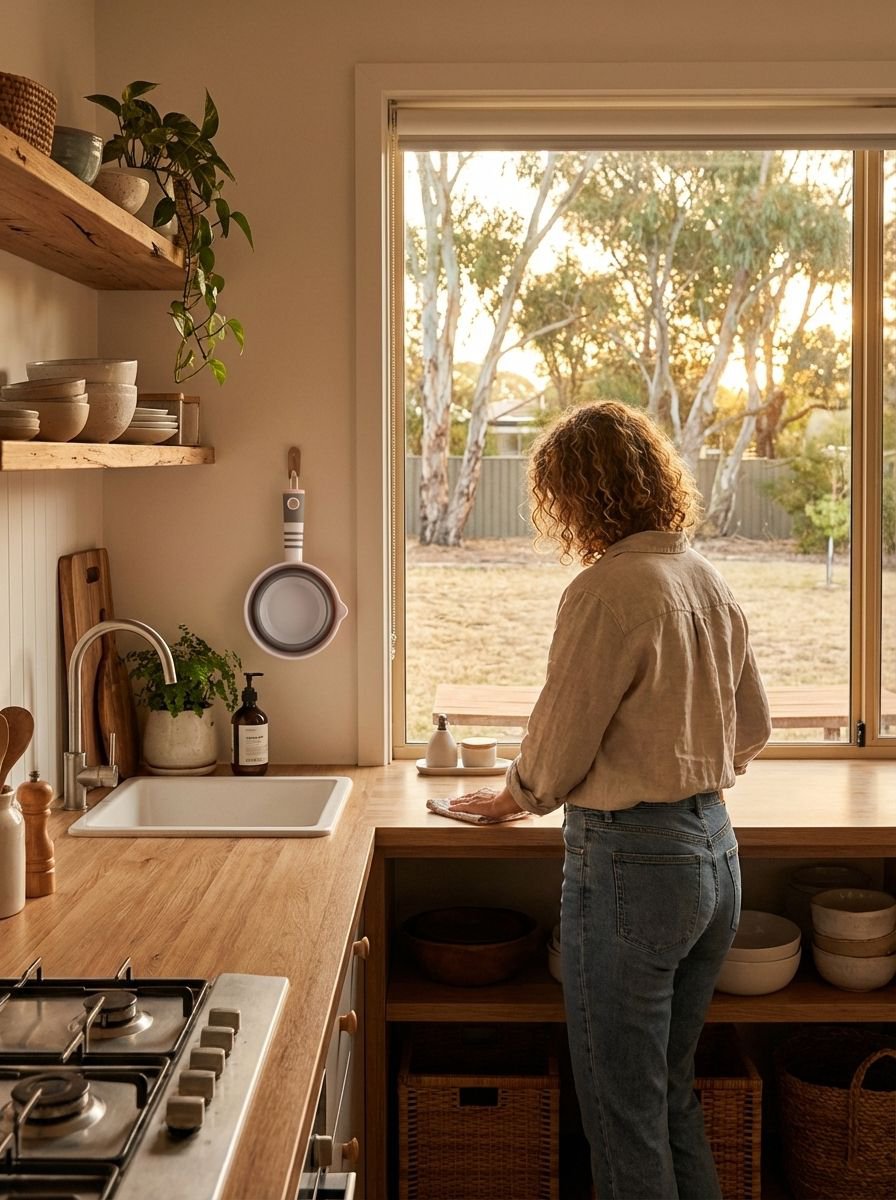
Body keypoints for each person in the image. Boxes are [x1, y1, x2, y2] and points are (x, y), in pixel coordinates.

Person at [449, 401, 771, 1200]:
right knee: (669, 1096)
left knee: (623, 1117)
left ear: (576, 496)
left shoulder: (606, 591)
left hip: (634, 866)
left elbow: (558, 745)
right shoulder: (705, 577)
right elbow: (752, 729)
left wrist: (514, 795)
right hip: (716, 854)